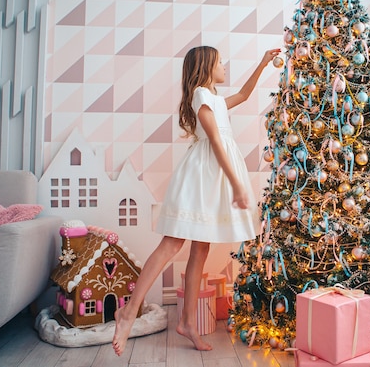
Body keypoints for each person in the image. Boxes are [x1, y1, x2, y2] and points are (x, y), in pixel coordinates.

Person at [112, 46, 281, 356]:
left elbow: (242, 95)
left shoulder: (214, 98)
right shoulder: (201, 95)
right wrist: (237, 185)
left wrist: (263, 63)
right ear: (206, 68)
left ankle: (188, 322)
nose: (224, 66)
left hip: (212, 178)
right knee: (172, 244)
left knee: (201, 248)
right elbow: (216, 141)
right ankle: (128, 312)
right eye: (220, 62)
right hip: (201, 178)